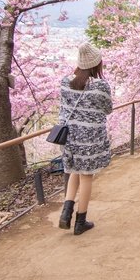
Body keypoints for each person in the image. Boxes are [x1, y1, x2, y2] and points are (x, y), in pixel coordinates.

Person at [57, 43, 113, 235]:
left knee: (73, 170)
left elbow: (63, 109)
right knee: (87, 176)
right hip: (90, 139)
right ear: (97, 64)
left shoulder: (65, 82)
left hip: (70, 137)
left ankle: (66, 213)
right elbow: (107, 109)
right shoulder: (100, 86)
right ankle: (81, 221)